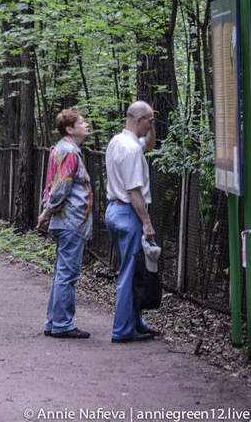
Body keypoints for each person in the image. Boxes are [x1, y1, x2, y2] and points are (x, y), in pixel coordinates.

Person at [105, 101, 160, 343]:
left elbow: (150, 144)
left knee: (134, 269)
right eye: (149, 120)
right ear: (138, 119)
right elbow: (134, 191)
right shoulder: (130, 150)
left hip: (114, 211)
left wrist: (152, 126)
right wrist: (146, 222)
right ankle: (123, 330)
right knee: (130, 273)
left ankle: (136, 322)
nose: (151, 123)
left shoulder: (119, 141)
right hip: (129, 212)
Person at [36, 109, 93, 339]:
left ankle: (54, 321)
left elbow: (50, 185)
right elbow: (60, 188)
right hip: (70, 220)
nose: (86, 125)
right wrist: (48, 210)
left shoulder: (59, 150)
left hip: (64, 220)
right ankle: (62, 323)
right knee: (67, 274)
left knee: (61, 273)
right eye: (81, 122)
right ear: (70, 129)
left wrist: (46, 210)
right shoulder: (69, 152)